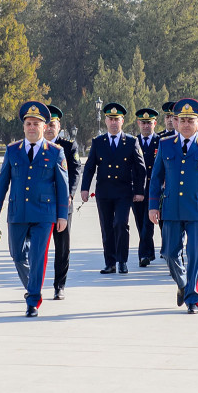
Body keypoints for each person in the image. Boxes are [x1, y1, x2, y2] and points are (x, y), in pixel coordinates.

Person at [0, 101, 69, 317]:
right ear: (23, 127)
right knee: (17, 255)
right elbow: (2, 182)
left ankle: (33, 299)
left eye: (36, 123)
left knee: (38, 256)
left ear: (45, 126)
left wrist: (62, 215)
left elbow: (63, 186)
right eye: (28, 124)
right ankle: (32, 285)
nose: (32, 127)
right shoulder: (12, 150)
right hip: (18, 212)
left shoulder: (55, 152)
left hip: (44, 214)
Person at [148, 98, 198, 313]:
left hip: (197, 208)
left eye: (189, 120)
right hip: (172, 208)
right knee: (169, 252)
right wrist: (153, 206)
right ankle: (183, 283)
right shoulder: (165, 145)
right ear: (174, 122)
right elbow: (156, 178)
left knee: (196, 254)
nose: (185, 124)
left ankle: (193, 297)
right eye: (181, 120)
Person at [81, 103, 146, 274]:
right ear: (106, 121)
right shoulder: (98, 142)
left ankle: (122, 260)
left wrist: (140, 191)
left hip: (124, 191)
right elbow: (89, 167)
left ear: (122, 121)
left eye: (117, 119)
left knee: (121, 224)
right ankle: (109, 263)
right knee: (107, 227)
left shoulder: (131, 142)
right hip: (104, 191)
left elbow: (141, 169)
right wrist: (85, 189)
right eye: (111, 119)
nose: (114, 122)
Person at [44, 105, 82, 300]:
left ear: (59, 126)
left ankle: (60, 285)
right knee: (37, 247)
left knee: (62, 247)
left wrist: (71, 194)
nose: (49, 128)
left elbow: (75, 171)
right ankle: (34, 284)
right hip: (40, 204)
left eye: (53, 124)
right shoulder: (34, 146)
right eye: (47, 124)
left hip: (61, 203)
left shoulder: (68, 146)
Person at [133, 108, 160, 267]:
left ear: (154, 123)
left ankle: (143, 254)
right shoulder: (132, 142)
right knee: (140, 223)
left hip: (154, 189)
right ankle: (149, 252)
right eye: (143, 123)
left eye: (149, 123)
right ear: (138, 124)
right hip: (137, 189)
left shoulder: (161, 141)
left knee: (147, 223)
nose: (146, 126)